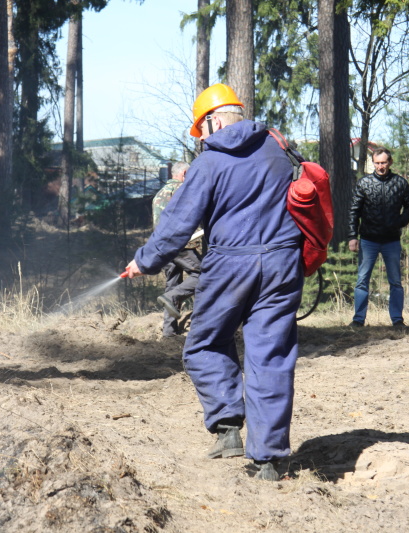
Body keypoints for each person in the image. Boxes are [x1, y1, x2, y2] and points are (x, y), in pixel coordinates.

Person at [124, 83, 303, 481]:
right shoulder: (280, 149)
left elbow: (176, 224)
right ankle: (269, 460)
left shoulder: (210, 161)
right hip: (283, 263)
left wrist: (144, 262)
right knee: (269, 355)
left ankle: (227, 429)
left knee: (204, 343)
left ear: (214, 121)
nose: (201, 139)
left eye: (201, 131)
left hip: (231, 264)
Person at [347, 147, 409, 328]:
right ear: (373, 163)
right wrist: (352, 236)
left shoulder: (400, 183)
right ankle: (358, 320)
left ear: (390, 162)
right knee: (362, 280)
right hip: (368, 239)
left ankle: (397, 320)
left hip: (392, 240)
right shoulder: (364, 183)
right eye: (377, 163)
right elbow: (354, 212)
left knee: (395, 281)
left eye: (384, 162)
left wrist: (399, 222)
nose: (380, 166)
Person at [152, 161, 202, 337]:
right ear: (185, 172)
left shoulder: (159, 194)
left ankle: (169, 331)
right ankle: (176, 299)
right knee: (203, 276)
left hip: (163, 247)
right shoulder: (181, 190)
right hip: (182, 245)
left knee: (172, 283)